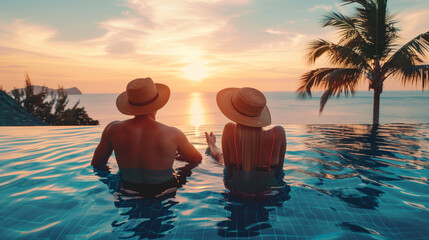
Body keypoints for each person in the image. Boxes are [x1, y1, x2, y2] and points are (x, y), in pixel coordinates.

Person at [91, 77, 202, 197]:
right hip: (165, 191)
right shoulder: (173, 134)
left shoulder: (112, 129)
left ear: (130, 104)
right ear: (158, 104)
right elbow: (196, 159)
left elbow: (97, 164)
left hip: (126, 189)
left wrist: (114, 183)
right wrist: (181, 171)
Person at [205, 87, 287, 198]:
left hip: (235, 192)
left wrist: (212, 145)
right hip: (271, 194)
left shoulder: (229, 131)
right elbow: (279, 172)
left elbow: (224, 162)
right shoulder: (278, 134)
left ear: (234, 111)